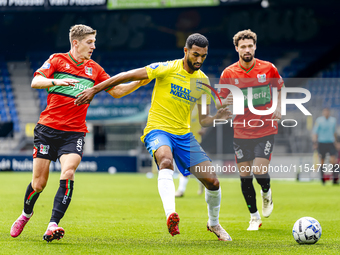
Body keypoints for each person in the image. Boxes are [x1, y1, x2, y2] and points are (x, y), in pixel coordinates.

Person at [75, 33, 233, 241]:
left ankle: (213, 224)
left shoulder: (203, 82)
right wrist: (95, 89)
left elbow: (204, 120)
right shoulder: (166, 68)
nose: (199, 60)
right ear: (185, 51)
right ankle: (171, 215)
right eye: (195, 55)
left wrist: (217, 117)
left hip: (184, 135)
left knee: (213, 182)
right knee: (165, 160)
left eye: (203, 56)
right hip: (158, 130)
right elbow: (127, 75)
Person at [10, 24, 144, 242]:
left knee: (69, 171)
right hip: (47, 130)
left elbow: (117, 91)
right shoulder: (57, 60)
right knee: (38, 184)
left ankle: (52, 225)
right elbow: (36, 81)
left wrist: (142, 80)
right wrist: (56, 81)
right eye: (89, 42)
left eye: (94, 42)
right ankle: (26, 214)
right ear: (76, 43)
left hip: (74, 133)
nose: (94, 46)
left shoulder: (95, 69)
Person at [217, 29, 284, 231]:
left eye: (250, 46)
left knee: (259, 171)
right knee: (245, 177)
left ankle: (266, 191)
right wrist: (223, 104)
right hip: (240, 131)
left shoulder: (268, 68)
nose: (247, 49)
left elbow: (280, 88)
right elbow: (220, 101)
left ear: (255, 46)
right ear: (237, 48)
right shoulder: (228, 73)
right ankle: (254, 217)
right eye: (243, 46)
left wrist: (279, 107)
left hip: (265, 128)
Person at [175, 105, 205, 197]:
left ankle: (181, 190)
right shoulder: (181, 106)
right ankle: (202, 181)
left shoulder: (199, 106)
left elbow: (206, 118)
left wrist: (204, 129)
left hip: (194, 140)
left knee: (186, 165)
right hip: (183, 139)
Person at [312, 107, 339, 185]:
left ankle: (334, 179)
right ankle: (322, 179)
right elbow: (315, 133)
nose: (326, 113)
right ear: (323, 113)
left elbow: (334, 133)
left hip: (331, 142)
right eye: (325, 112)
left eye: (327, 112)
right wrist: (315, 142)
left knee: (333, 161)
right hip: (322, 142)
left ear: (329, 112)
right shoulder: (319, 121)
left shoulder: (333, 120)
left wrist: (336, 142)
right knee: (322, 162)